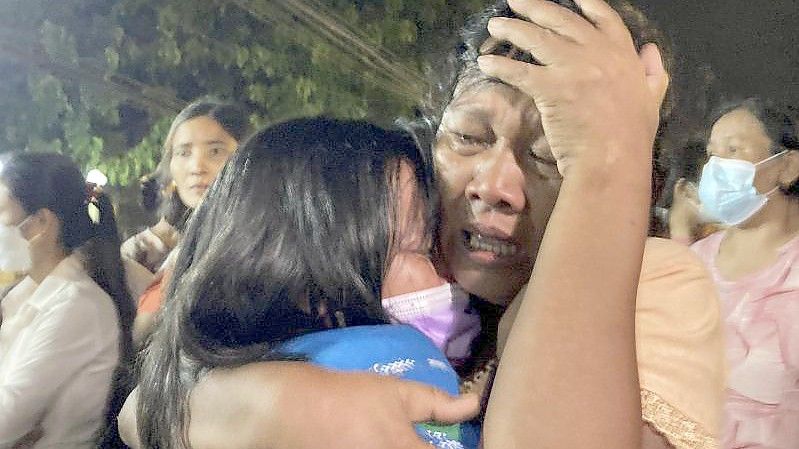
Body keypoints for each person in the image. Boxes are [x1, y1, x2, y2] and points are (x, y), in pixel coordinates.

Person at [121, 1, 722, 448]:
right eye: (467, 138)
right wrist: (254, 404)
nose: (494, 186)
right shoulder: (397, 254)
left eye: (548, 159)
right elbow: (143, 406)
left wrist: (608, 164)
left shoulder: (653, 284)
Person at [132, 117, 480, 449]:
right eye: (421, 249)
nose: (446, 278)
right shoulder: (399, 367)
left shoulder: (197, 379)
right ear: (307, 273)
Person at [672, 98, 799, 449]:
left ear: (787, 167)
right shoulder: (696, 261)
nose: (715, 168)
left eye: (733, 150)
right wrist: (680, 232)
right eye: (712, 154)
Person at [0, 152, 134, 448]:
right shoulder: (21, 294)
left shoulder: (76, 306)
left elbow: (6, 422)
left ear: (40, 223)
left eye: (1, 214)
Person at [122, 99, 248, 346]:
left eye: (215, 151)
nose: (196, 167)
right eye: (183, 152)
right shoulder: (173, 249)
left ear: (247, 159)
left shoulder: (257, 248)